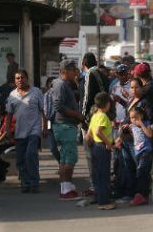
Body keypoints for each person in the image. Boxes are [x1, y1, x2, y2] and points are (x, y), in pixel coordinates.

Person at [50, 60, 87, 200]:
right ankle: (65, 189)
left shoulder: (64, 84)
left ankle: (66, 186)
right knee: (68, 159)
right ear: (66, 71)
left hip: (65, 125)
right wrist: (77, 115)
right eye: (73, 70)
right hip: (65, 125)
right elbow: (58, 105)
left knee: (66, 158)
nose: (76, 72)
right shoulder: (60, 84)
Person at [5, 70, 45, 193]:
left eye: (22, 77)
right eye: (17, 78)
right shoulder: (12, 95)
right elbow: (9, 114)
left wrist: (45, 127)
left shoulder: (36, 92)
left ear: (27, 78)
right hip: (19, 132)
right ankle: (25, 182)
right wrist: (7, 130)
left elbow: (43, 111)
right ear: (14, 80)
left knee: (30, 155)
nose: (20, 80)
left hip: (34, 130)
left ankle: (34, 182)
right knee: (21, 159)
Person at [79, 53, 110, 197]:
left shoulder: (89, 74)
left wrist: (82, 118)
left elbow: (86, 97)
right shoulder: (102, 74)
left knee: (90, 154)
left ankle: (94, 186)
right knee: (101, 156)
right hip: (103, 116)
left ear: (83, 63)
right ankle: (101, 186)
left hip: (91, 120)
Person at [86, 92, 116, 210]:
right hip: (103, 147)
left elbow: (88, 135)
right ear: (107, 104)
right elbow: (98, 132)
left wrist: (91, 144)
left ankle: (99, 197)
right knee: (104, 175)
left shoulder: (94, 116)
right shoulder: (104, 116)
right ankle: (104, 202)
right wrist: (109, 144)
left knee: (97, 174)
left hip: (95, 147)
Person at [124, 106, 153, 206]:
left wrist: (141, 124)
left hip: (146, 152)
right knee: (141, 173)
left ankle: (140, 195)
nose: (134, 120)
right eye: (132, 118)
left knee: (141, 172)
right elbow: (133, 138)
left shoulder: (146, 123)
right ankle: (144, 196)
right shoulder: (132, 126)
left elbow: (149, 134)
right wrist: (125, 130)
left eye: (136, 117)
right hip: (138, 152)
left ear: (141, 116)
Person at [42, 77, 61, 164]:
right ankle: (61, 162)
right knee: (52, 147)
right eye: (51, 83)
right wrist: (44, 127)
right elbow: (45, 113)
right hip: (51, 124)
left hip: (62, 124)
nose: (52, 85)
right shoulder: (46, 95)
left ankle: (64, 166)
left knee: (64, 147)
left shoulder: (62, 93)